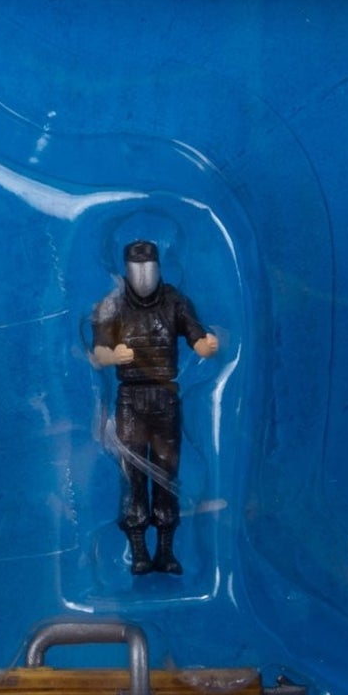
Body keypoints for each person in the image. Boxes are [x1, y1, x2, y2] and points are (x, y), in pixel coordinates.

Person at [88, 240, 219, 574]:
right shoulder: (112, 305)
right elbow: (97, 353)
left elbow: (195, 335)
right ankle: (138, 552)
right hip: (130, 400)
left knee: (166, 475)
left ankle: (166, 552)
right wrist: (112, 356)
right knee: (133, 477)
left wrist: (206, 345)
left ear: (159, 267)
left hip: (164, 397)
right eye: (137, 267)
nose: (144, 274)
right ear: (126, 269)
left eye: (149, 266)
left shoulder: (174, 300)